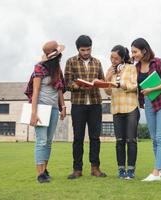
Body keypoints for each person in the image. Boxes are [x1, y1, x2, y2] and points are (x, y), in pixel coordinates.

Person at [131, 38, 161, 182]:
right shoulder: (136, 68)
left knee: (160, 138)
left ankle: (156, 173)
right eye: (132, 52)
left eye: (135, 51)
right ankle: (160, 170)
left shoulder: (158, 62)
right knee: (154, 139)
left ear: (144, 50)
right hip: (149, 104)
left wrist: (152, 89)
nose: (134, 54)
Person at [65, 35, 107, 179]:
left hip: (95, 104)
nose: (86, 52)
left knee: (95, 138)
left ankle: (95, 168)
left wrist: (98, 82)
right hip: (78, 105)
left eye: (88, 49)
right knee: (78, 138)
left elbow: (102, 80)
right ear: (78, 49)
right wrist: (78, 86)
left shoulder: (97, 62)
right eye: (83, 50)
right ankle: (77, 169)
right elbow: (67, 83)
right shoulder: (70, 62)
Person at [24, 40, 66, 183]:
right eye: (59, 54)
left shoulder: (57, 70)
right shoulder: (39, 68)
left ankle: (45, 170)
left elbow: (59, 89)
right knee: (41, 141)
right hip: (41, 107)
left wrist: (63, 107)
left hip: (54, 108)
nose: (61, 56)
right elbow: (35, 92)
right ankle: (40, 175)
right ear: (56, 56)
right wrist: (33, 113)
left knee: (48, 141)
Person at [105, 45, 139, 179]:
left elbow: (135, 85)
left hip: (130, 107)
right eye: (111, 57)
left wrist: (121, 85)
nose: (113, 60)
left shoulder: (131, 68)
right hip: (117, 108)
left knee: (131, 140)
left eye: (116, 58)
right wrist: (107, 79)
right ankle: (121, 170)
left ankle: (131, 170)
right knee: (119, 141)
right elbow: (108, 92)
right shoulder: (110, 71)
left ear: (122, 58)